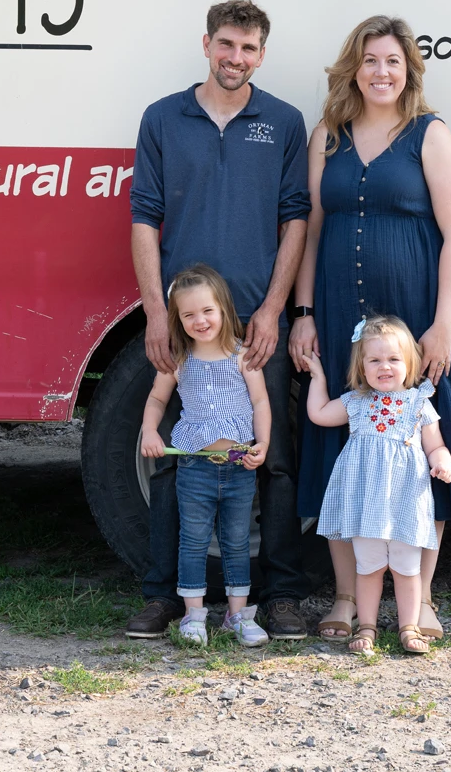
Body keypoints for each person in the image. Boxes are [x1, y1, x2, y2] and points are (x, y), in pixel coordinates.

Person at [290, 14, 451, 643]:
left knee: (420, 456)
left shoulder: (430, 134)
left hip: (416, 323)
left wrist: (442, 326)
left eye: (393, 62)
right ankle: (347, 598)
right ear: (355, 67)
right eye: (371, 60)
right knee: (341, 455)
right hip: (339, 314)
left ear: (409, 73)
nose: (381, 72)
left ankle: (420, 600)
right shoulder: (328, 136)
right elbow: (313, 231)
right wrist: (303, 315)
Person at [125, 0, 314, 642]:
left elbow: (296, 218)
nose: (237, 59)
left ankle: (282, 595)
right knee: (181, 458)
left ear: (262, 54)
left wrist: (272, 309)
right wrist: (156, 314)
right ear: (206, 44)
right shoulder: (162, 119)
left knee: (275, 458)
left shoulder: (284, 122)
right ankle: (164, 597)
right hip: (188, 328)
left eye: (250, 49)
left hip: (258, 324)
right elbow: (144, 217)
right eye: (227, 45)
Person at [138, 265, 273, 647]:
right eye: (189, 314)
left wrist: (262, 444)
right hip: (194, 468)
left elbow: (260, 402)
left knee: (235, 541)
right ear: (177, 320)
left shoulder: (243, 356)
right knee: (194, 540)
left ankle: (237, 616)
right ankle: (193, 616)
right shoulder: (180, 360)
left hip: (238, 466)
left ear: (224, 309)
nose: (200, 320)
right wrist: (150, 430)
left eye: (207, 311)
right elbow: (156, 398)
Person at [303, 314, 451, 655]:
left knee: (406, 568)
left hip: (404, 501)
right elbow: (319, 414)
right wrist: (318, 377)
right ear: (362, 366)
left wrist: (443, 461)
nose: (384, 367)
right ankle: (367, 626)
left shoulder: (418, 402)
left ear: (409, 363)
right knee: (368, 567)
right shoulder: (357, 401)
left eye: (393, 359)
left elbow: (435, 444)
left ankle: (409, 626)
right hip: (366, 503)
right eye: (375, 360)